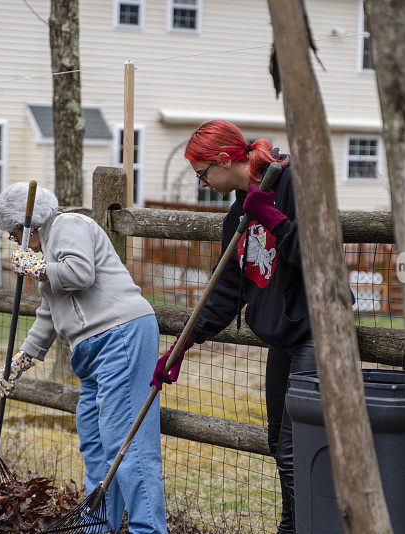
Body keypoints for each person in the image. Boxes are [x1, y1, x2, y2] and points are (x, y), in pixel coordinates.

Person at [150, 119, 352, 534]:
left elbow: (324, 261)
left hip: (317, 332)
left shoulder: (290, 183)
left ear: (224, 160)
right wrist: (182, 346)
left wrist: (274, 219)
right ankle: (291, 527)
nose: (202, 183)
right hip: (282, 336)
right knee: (280, 445)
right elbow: (226, 291)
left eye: (202, 173)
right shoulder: (239, 213)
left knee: (300, 446)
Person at [0, 182, 167, 534]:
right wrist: (21, 360)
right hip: (89, 353)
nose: (16, 243)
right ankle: (97, 528)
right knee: (96, 444)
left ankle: (149, 530)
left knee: (127, 443)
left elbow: (80, 273)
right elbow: (49, 312)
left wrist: (39, 267)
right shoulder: (45, 252)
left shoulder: (69, 225)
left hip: (121, 334)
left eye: (14, 235)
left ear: (30, 225)